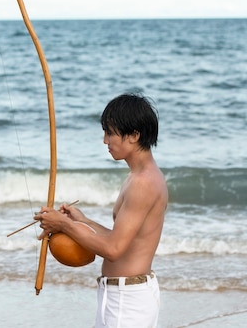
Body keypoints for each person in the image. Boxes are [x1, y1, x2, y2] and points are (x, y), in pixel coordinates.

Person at [35, 93, 168, 328]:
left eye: (110, 133)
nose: (105, 140)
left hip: (128, 302)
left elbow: (114, 250)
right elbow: (123, 239)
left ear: (134, 135)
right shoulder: (138, 177)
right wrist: (84, 221)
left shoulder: (143, 183)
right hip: (123, 296)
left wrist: (64, 225)